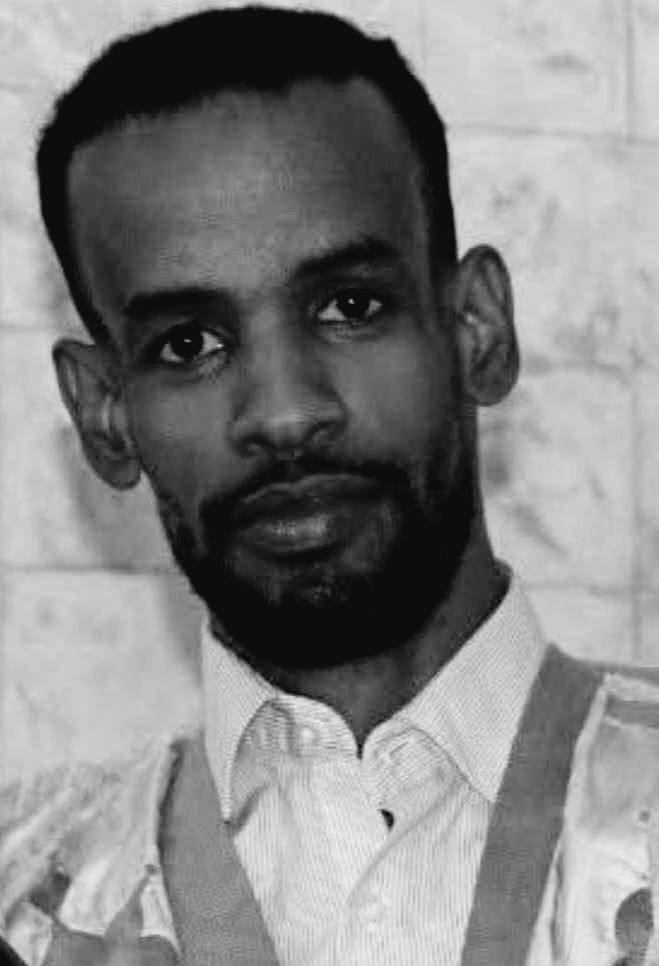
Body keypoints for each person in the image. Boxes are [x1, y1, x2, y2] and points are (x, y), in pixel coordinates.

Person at [2, 6, 659, 965]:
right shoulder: (26, 905)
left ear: (475, 328)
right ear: (104, 413)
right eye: (187, 344)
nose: (283, 413)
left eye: (350, 306)